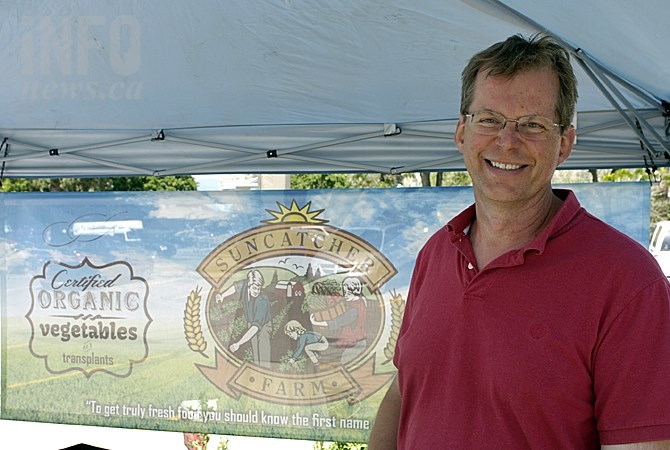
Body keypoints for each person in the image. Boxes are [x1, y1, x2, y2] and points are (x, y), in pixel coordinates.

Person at [368, 34, 670, 449]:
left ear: (564, 142)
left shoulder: (628, 280)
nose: (507, 141)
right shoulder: (436, 253)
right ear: (461, 131)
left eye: (532, 124)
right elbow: (404, 392)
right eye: (489, 119)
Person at [219, 269, 272, 368]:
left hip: (263, 325)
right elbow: (235, 287)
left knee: (263, 352)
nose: (257, 291)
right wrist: (222, 295)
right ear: (249, 284)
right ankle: (258, 371)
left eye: (259, 288)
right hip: (251, 322)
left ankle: (265, 370)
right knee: (255, 352)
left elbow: (255, 327)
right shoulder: (244, 285)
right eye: (255, 288)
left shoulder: (263, 301)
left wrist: (238, 343)